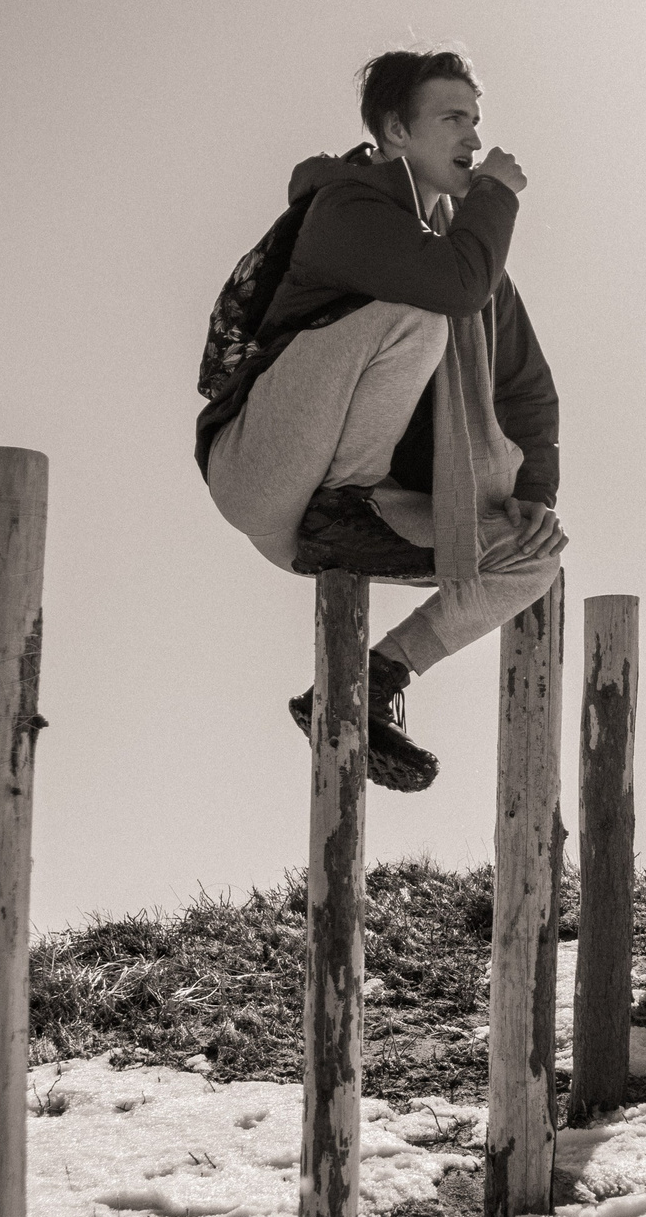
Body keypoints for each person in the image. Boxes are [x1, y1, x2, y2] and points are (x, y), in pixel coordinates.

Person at [195, 48, 568, 792]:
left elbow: (527, 386)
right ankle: (343, 507)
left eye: (476, 120)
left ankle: (377, 677)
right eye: (450, 118)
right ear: (397, 132)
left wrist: (537, 493)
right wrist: (496, 193)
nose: (471, 136)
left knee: (537, 556)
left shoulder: (469, 263)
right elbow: (451, 286)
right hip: (264, 467)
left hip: (353, 507)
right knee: (420, 310)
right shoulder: (350, 209)